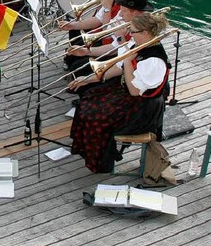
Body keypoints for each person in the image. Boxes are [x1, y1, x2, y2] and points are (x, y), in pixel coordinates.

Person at [68, 12, 171, 173]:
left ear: (144, 33)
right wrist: (86, 79)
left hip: (143, 109)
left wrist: (128, 59)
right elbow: (117, 69)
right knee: (87, 101)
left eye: (133, 31)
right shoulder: (137, 45)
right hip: (130, 96)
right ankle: (95, 152)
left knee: (96, 115)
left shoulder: (154, 61)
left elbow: (134, 90)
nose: (130, 33)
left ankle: (103, 161)